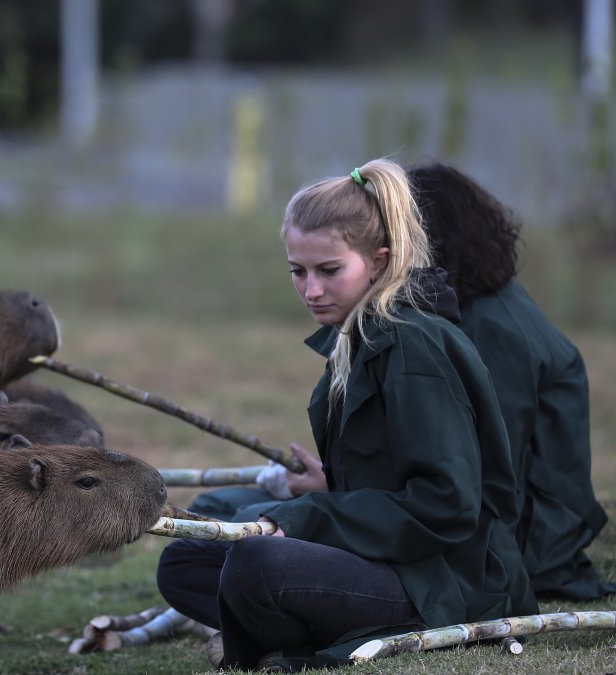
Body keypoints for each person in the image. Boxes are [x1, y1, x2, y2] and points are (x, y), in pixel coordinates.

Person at [155, 158, 537, 670]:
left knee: (254, 559)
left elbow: (446, 505)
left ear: (378, 262)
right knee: (186, 557)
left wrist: (309, 516)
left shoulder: (413, 348)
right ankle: (295, 630)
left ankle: (301, 633)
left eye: (329, 270)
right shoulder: (361, 335)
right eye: (298, 271)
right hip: (387, 556)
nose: (311, 290)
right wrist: (328, 489)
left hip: (443, 580)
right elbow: (388, 483)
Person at [409, 162, 612, 600]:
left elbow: (492, 478)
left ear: (428, 235)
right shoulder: (482, 304)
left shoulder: (494, 330)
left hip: (528, 546)